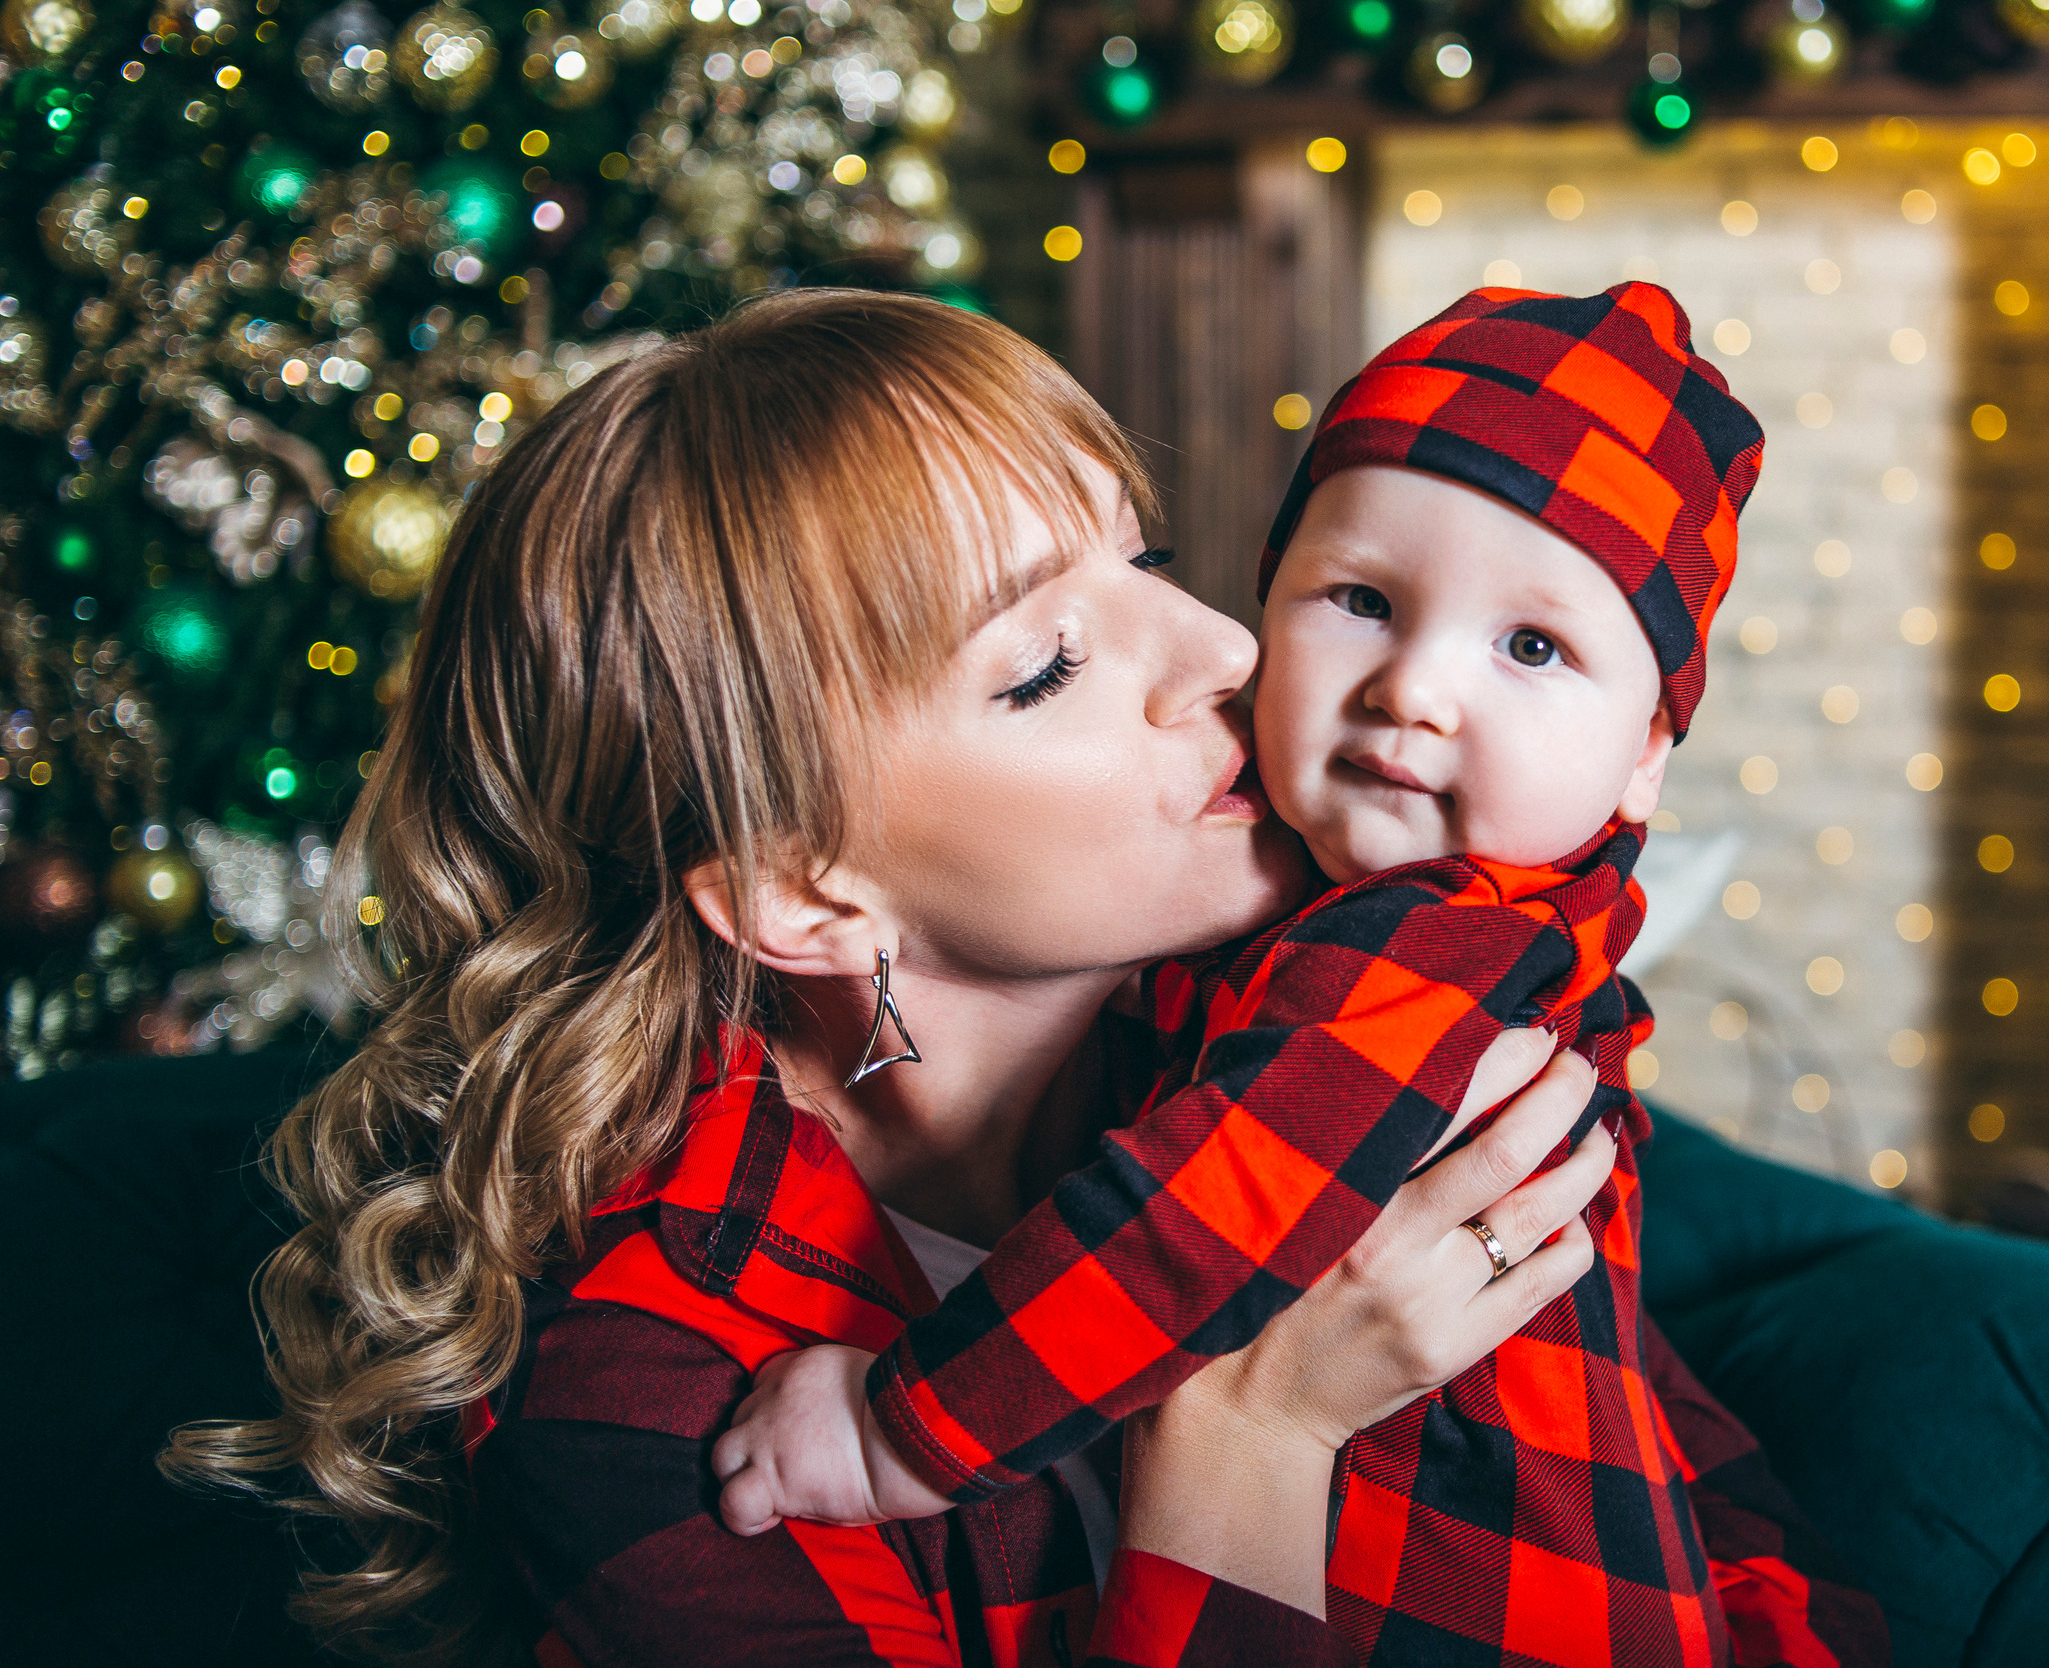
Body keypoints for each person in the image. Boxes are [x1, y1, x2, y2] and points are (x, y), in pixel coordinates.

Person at [165, 289, 1875, 1667]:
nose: (1225, 650)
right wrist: (1249, 1439)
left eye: (1140, 561)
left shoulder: (1321, 1025)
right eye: (1046, 665)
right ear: (802, 894)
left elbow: (1671, 1491)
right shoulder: (647, 1416)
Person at [710, 285, 1883, 1666]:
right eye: (1361, 601)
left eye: (1532, 645)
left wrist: (894, 1435)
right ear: (802, 888)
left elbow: (1198, 1221)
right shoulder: (651, 1344)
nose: (1408, 688)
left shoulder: (1423, 955)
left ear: (1645, 758)